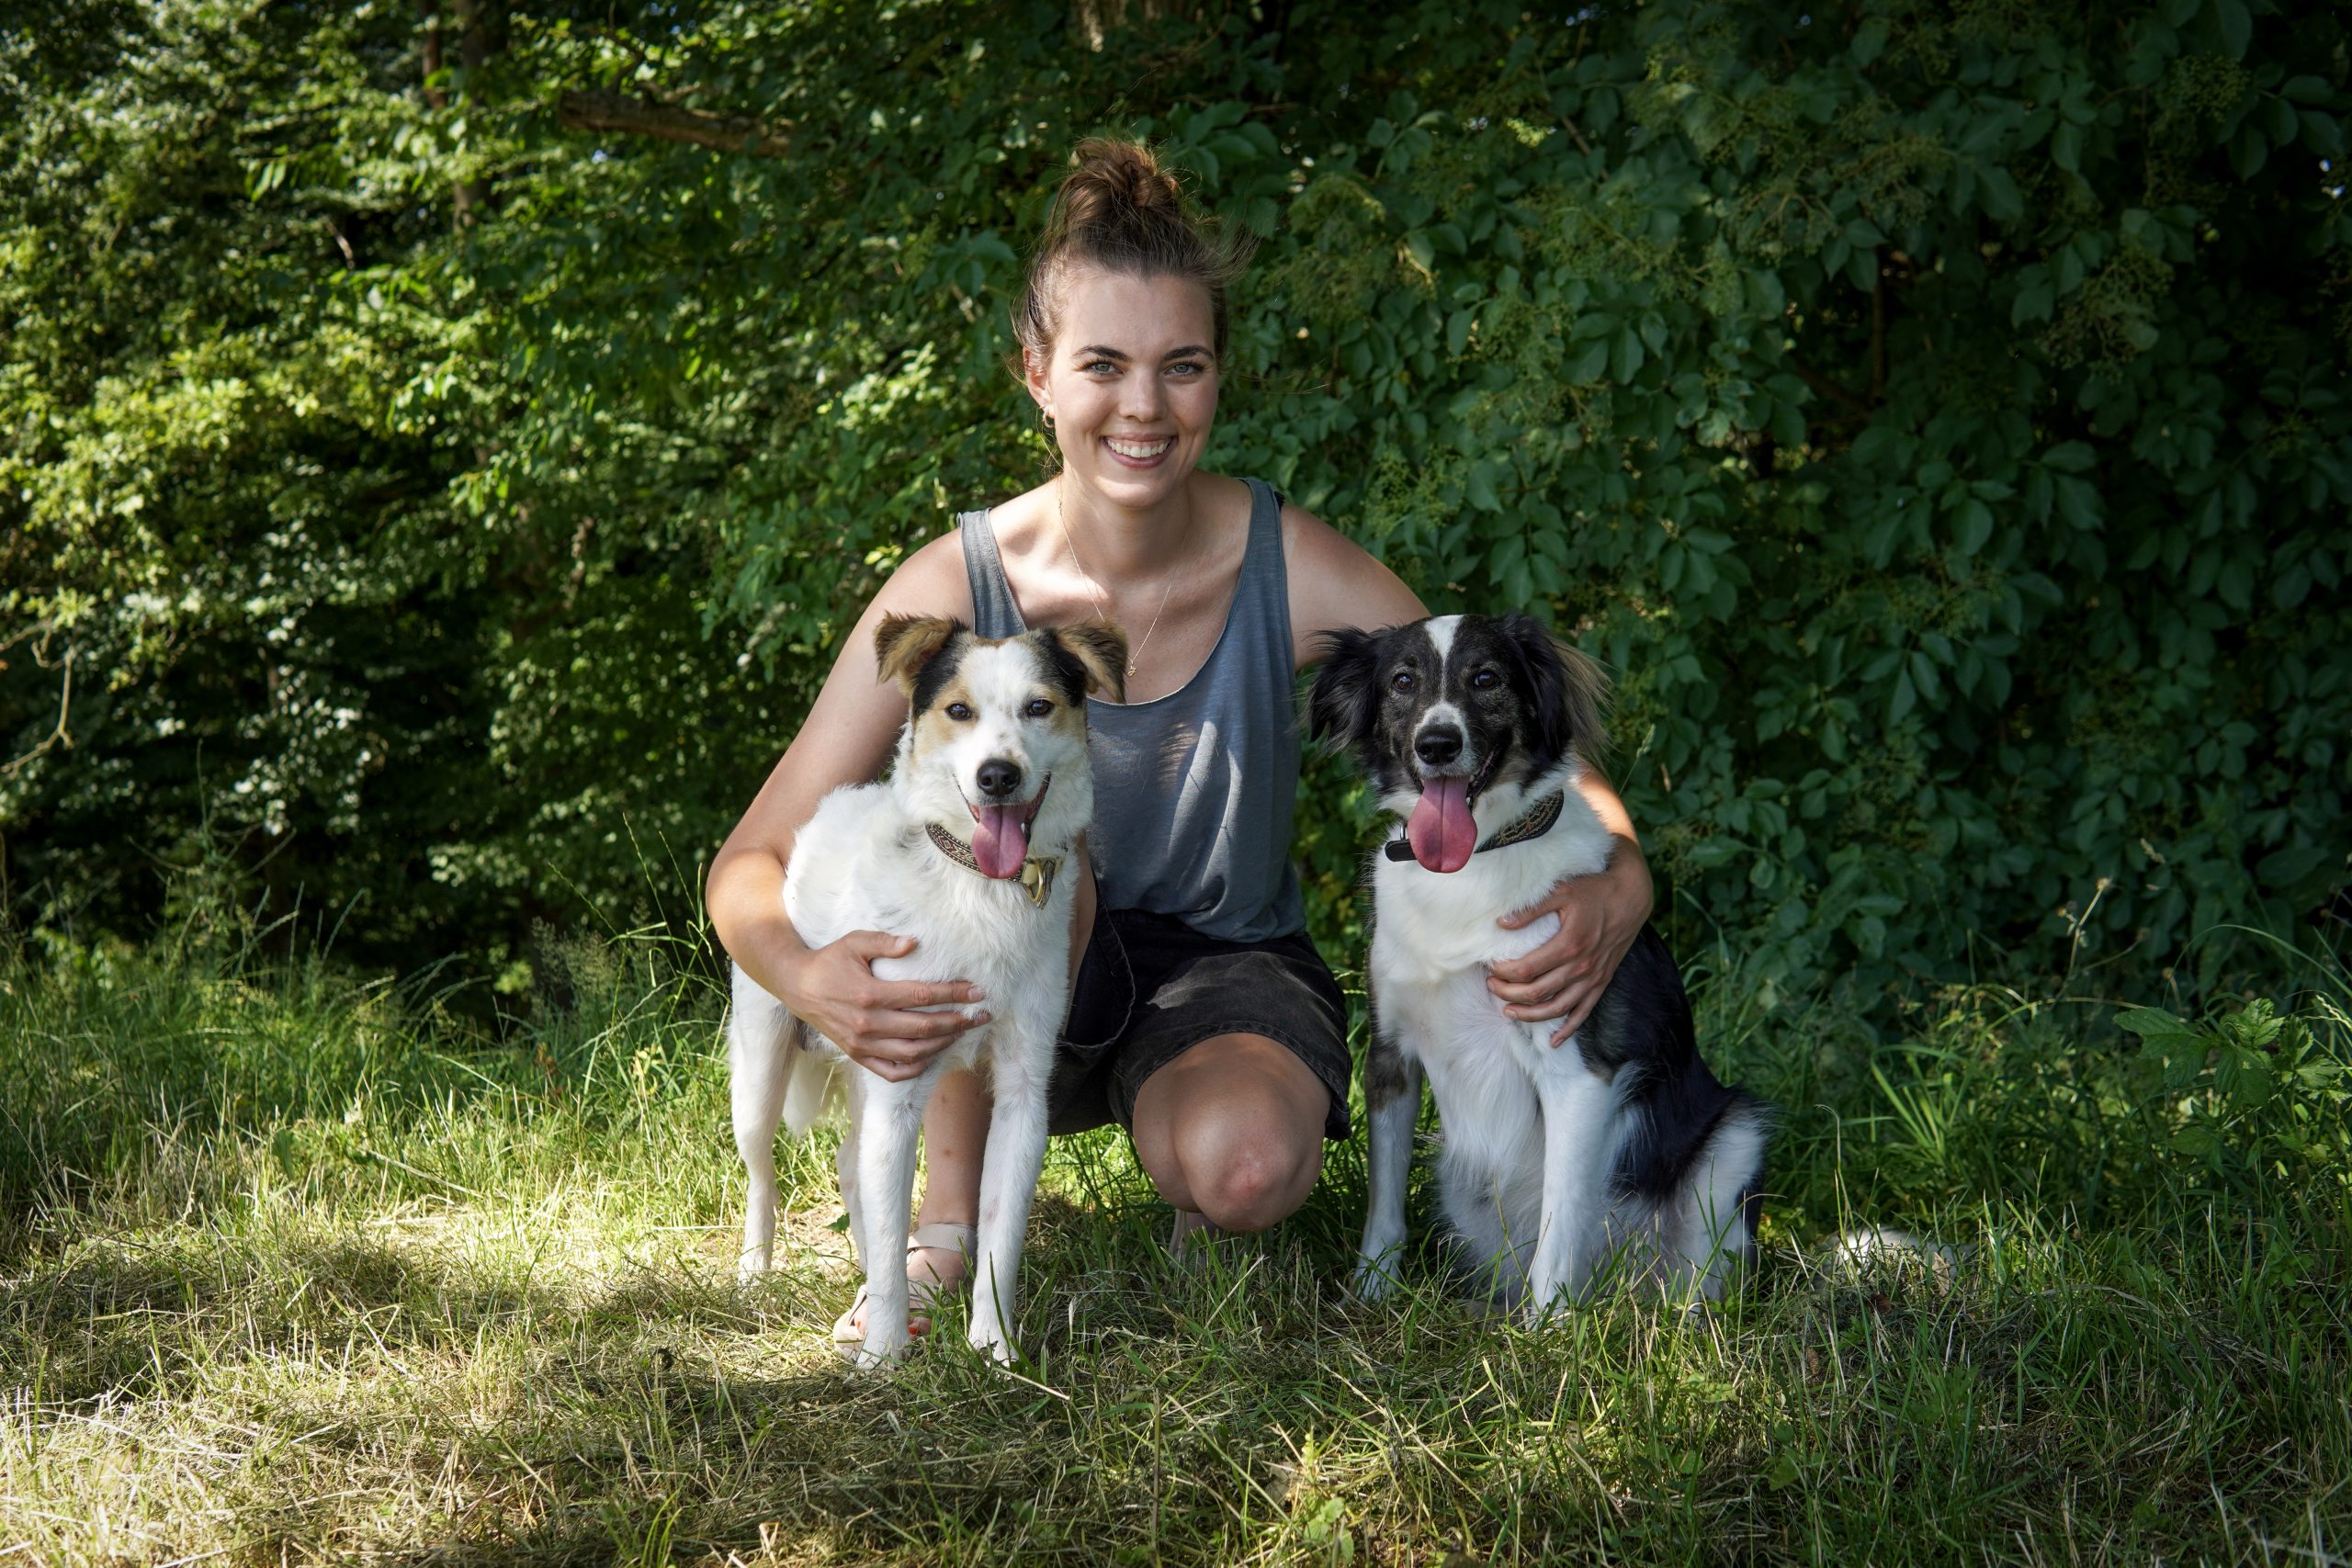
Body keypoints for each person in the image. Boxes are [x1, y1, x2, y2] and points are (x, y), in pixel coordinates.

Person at [707, 138, 1656, 1343]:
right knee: (976, 869)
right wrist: (806, 976)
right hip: (1007, 959)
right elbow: (749, 863)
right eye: (1102, 364)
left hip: (1225, 972)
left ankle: (1196, 1191)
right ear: (1037, 374)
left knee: (1247, 1166)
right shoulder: (960, 584)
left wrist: (1620, 887)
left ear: (1218, 380)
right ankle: (939, 1232)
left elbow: (1538, 751)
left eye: (1182, 366)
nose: (1143, 406)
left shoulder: (1293, 564)